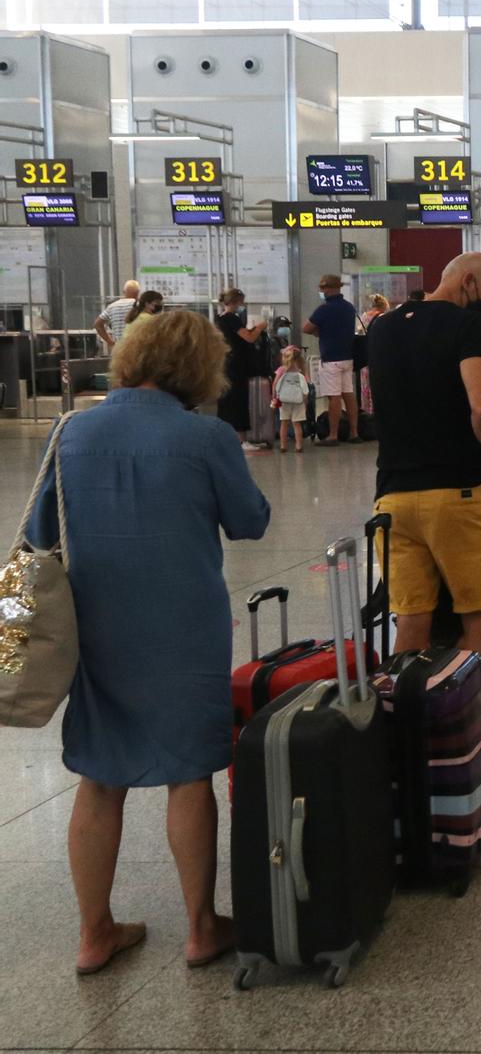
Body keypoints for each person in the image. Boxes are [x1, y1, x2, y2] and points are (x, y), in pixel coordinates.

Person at [27, 309, 269, 974]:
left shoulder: (72, 430)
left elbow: (42, 530)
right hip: (184, 626)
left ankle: (94, 933)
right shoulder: (205, 437)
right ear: (201, 369)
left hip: (96, 624)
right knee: (190, 773)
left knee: (100, 778)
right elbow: (250, 523)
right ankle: (199, 928)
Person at [366, 253, 481, 785]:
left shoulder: (383, 327)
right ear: (466, 283)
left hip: (391, 498)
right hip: (456, 495)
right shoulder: (467, 327)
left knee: (410, 622)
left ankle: (406, 741)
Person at [302, 274, 361, 445]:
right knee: (349, 394)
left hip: (330, 359)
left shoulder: (324, 309)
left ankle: (333, 435)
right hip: (347, 357)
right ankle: (354, 432)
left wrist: (318, 332)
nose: (321, 291)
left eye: (322, 288)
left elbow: (306, 328)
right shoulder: (349, 307)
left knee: (334, 397)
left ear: (328, 289)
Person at [213, 288, 269, 450]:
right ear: (236, 301)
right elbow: (249, 338)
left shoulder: (219, 318)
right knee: (239, 400)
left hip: (226, 363)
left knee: (226, 400)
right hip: (237, 365)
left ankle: (225, 436)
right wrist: (259, 327)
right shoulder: (233, 318)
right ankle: (241, 439)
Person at [272, 345, 313, 454]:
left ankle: (283, 445)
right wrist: (305, 400)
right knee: (297, 424)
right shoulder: (299, 372)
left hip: (283, 401)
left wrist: (274, 398)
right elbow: (305, 388)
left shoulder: (281, 370)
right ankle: (299, 446)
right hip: (298, 401)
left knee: (284, 423)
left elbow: (275, 385)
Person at [94, 281, 142, 351]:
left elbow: (97, 324)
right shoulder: (140, 306)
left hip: (119, 349)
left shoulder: (112, 306)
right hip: (137, 349)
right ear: (138, 293)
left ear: (123, 292)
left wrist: (110, 342)